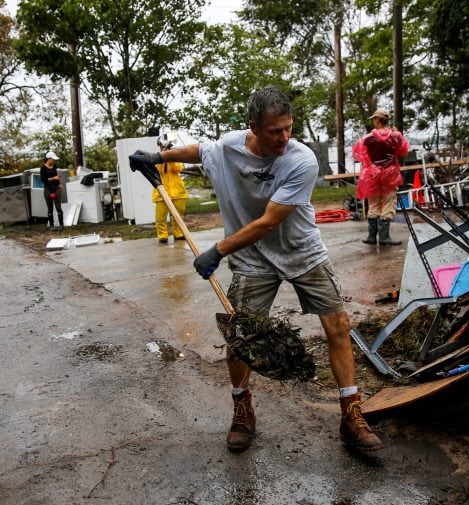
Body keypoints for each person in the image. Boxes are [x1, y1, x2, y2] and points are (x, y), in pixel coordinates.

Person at [128, 86, 384, 453]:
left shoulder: (302, 160)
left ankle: (351, 414)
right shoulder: (230, 147)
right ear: (253, 127)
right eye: (274, 131)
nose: (284, 138)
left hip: (301, 252)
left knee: (338, 326)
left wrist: (217, 250)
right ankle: (242, 409)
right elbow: (202, 151)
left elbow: (268, 222)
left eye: (288, 128)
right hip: (252, 260)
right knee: (239, 336)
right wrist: (156, 156)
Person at [352, 108, 409, 245]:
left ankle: (372, 237)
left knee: (374, 204)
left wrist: (372, 167)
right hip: (390, 175)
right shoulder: (396, 136)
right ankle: (384, 237)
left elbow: (361, 155)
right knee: (388, 204)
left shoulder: (367, 138)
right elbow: (403, 152)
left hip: (373, 175)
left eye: (374, 120)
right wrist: (397, 135)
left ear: (377, 120)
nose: (373, 122)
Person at [152, 135, 189, 244]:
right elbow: (157, 169)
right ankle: (162, 236)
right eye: (161, 146)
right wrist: (162, 156)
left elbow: (178, 168)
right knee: (160, 217)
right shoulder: (156, 157)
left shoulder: (176, 156)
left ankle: (178, 234)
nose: (162, 147)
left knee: (178, 216)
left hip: (177, 192)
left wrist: (170, 156)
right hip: (161, 192)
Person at [40, 151, 64, 230]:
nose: (55, 161)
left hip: (56, 187)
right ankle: (51, 225)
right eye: (53, 159)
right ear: (49, 159)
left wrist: (59, 183)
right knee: (50, 208)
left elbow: (56, 175)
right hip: (48, 188)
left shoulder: (54, 166)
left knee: (58, 207)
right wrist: (53, 178)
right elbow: (43, 180)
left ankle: (61, 225)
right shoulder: (43, 168)